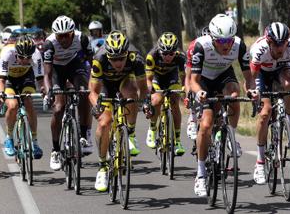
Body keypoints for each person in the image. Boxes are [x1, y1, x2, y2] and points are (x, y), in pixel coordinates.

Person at [190, 14, 253, 197]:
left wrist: (252, 91)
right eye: (221, 41)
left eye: (229, 40)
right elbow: (193, 80)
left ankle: (231, 134)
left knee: (234, 94)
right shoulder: (202, 45)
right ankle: (201, 174)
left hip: (224, 75)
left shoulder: (239, 45)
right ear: (212, 38)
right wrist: (198, 92)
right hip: (204, 80)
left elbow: (248, 77)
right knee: (207, 124)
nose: (226, 45)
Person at [248, 22, 290, 185]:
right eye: (276, 44)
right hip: (261, 73)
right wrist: (253, 94)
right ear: (269, 42)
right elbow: (250, 79)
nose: (280, 48)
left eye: (283, 43)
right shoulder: (259, 50)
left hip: (282, 69)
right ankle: (260, 162)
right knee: (265, 113)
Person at [88, 30, 148, 192]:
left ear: (127, 53)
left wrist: (145, 103)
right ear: (108, 56)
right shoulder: (99, 59)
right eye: (114, 59)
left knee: (131, 94)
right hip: (105, 85)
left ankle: (131, 133)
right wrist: (96, 106)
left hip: (124, 81)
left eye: (121, 58)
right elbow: (92, 91)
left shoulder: (135, 58)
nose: (118, 63)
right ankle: (102, 167)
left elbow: (143, 89)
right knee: (105, 121)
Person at [43, 15, 94, 171]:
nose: (64, 39)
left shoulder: (82, 39)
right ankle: (56, 150)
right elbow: (47, 74)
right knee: (58, 108)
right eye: (60, 36)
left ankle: (84, 134)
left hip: (75, 65)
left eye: (67, 35)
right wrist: (50, 91)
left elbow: (92, 65)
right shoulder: (49, 44)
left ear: (73, 33)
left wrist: (94, 85)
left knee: (84, 93)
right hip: (57, 70)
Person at [0, 35, 45, 159]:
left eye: (28, 57)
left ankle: (34, 142)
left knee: (28, 102)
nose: (25, 60)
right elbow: (1, 80)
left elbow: (40, 80)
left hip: (26, 79)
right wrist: (1, 94)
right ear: (16, 53)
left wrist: (45, 92)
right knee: (13, 105)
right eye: (21, 57)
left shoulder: (36, 55)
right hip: (10, 81)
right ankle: (9, 138)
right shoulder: (7, 53)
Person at [144, 32, 187, 156]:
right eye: (165, 54)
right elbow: (148, 80)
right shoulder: (152, 56)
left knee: (174, 102)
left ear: (175, 51)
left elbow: (184, 78)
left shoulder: (180, 57)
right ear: (159, 50)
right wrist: (149, 92)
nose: (168, 57)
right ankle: (152, 129)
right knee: (157, 100)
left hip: (172, 78)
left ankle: (177, 140)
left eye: (171, 54)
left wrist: (184, 89)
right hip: (156, 78)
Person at [184, 26, 210, 140]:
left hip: (213, 72)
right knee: (194, 93)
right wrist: (188, 95)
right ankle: (192, 118)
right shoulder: (193, 48)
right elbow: (189, 77)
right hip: (198, 73)